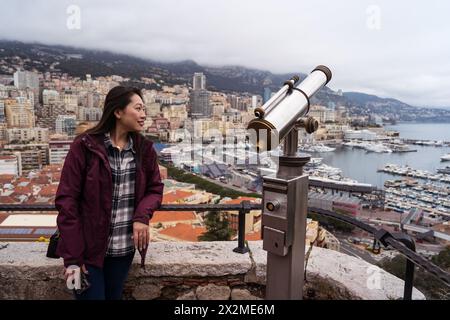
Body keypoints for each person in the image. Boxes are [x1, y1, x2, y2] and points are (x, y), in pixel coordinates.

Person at [55, 86, 164, 300]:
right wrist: (73, 259)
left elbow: (155, 189)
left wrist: (142, 217)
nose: (144, 115)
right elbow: (67, 202)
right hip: (85, 253)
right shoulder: (84, 146)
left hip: (123, 251)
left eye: (144, 110)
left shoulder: (145, 149)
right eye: (138, 108)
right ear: (118, 112)